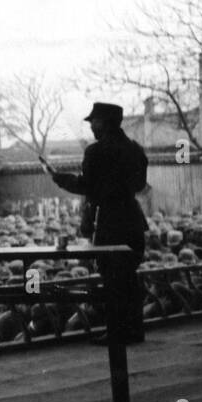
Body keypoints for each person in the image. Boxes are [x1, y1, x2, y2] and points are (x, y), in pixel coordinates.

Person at [51, 102, 149, 343]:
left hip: (108, 222)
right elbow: (139, 185)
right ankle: (134, 330)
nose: (91, 126)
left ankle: (116, 332)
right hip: (133, 221)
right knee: (129, 277)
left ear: (103, 123)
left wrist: (61, 179)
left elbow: (87, 186)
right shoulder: (135, 149)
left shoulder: (96, 151)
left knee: (113, 280)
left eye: (93, 121)